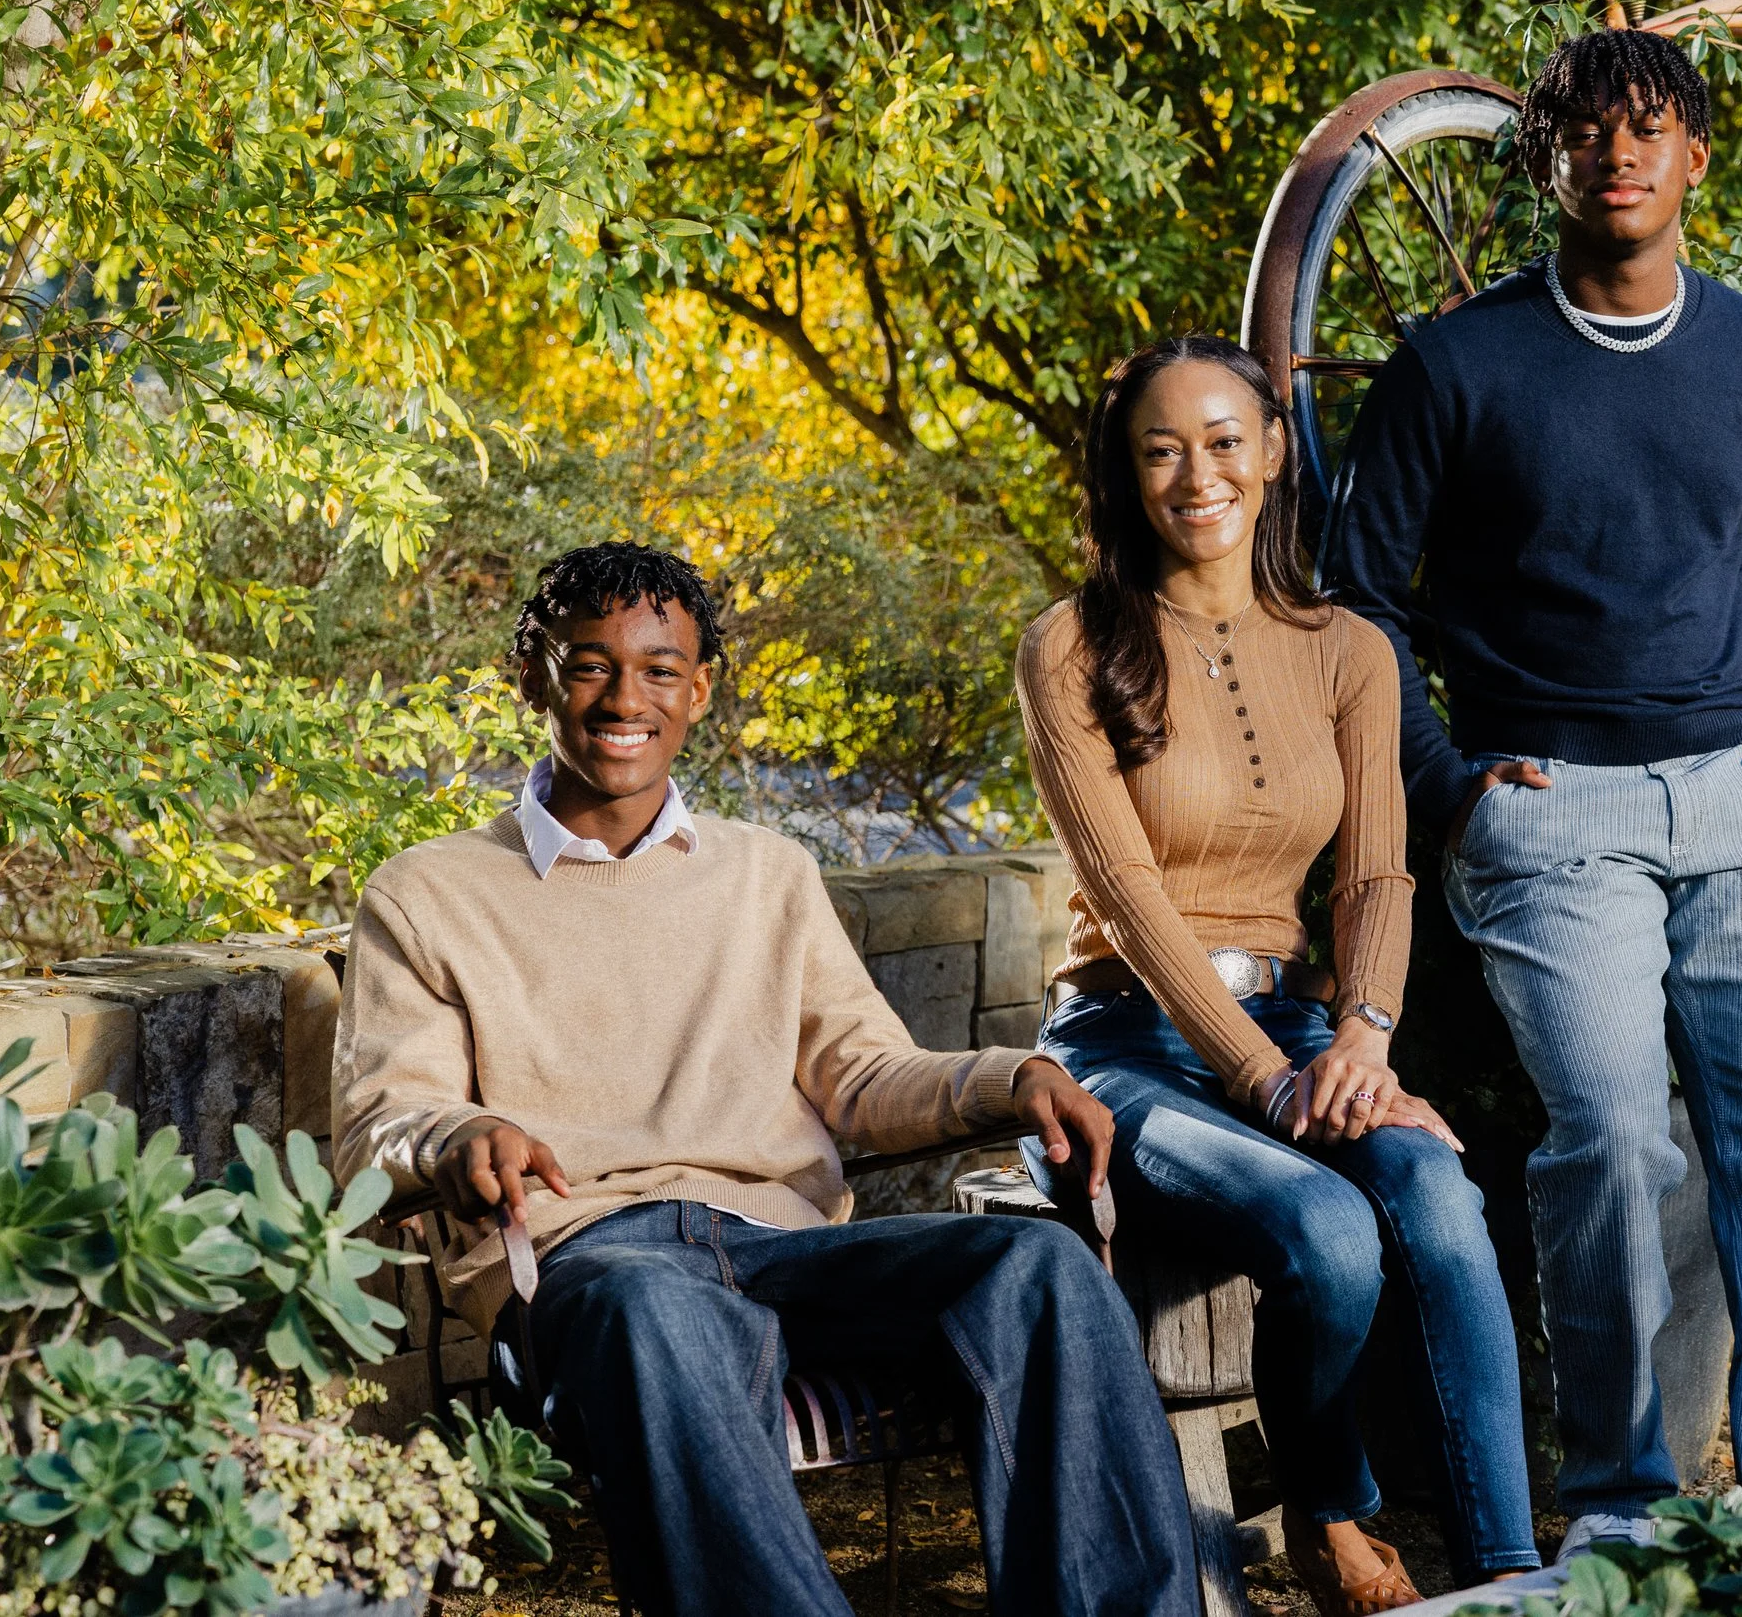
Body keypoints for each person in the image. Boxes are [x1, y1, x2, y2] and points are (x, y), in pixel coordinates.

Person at [332, 543, 1199, 1617]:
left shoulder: (766, 871)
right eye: (589, 664)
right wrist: (456, 1139)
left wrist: (1012, 1076)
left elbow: (862, 1071)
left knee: (1039, 1265)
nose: (624, 697)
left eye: (659, 669)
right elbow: (380, 1121)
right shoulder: (428, 893)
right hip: (594, 1264)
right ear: (533, 675)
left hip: (787, 1252)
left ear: (699, 689)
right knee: (657, 1306)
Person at [1325, 27, 1742, 1550]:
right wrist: (1448, 785)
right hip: (1549, 809)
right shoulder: (1456, 364)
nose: (1618, 153)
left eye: (1650, 131)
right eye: (1586, 133)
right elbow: (1356, 603)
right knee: (1619, 1140)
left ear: (1697, 159)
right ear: (1546, 161)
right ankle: (1626, 1503)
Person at [1015, 335, 1539, 1611]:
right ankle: (1333, 1506)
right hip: (1124, 1047)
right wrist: (1262, 1078)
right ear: (1125, 477)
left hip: (1300, 1025)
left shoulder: (1351, 650)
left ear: (1272, 452)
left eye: (1224, 438)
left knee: (1435, 1189)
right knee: (1324, 1224)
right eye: (1161, 448)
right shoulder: (1070, 647)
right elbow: (1131, 901)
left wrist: (1360, 1044)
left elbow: (1375, 879)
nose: (1199, 472)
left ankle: (1509, 1574)